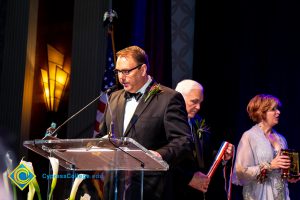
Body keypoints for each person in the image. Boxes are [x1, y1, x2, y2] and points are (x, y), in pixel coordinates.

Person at [98, 45, 192, 200]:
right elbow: (103, 135)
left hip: (150, 188)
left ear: (143, 69)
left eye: (126, 71)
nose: (121, 77)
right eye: (118, 71)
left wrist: (157, 155)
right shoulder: (113, 98)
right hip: (114, 188)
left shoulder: (168, 98)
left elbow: (183, 141)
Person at [233, 94, 300, 200]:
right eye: (273, 109)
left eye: (277, 109)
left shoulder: (281, 138)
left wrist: (290, 176)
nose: (278, 112)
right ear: (262, 113)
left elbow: (282, 171)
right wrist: (269, 165)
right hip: (259, 194)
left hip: (280, 195)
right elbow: (241, 171)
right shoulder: (249, 136)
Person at [174, 79, 233, 199]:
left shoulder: (198, 121)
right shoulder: (167, 122)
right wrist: (188, 178)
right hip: (175, 190)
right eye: (194, 102)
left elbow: (205, 154)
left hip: (197, 193)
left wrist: (223, 157)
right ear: (178, 98)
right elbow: (164, 159)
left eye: (200, 102)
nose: (198, 107)